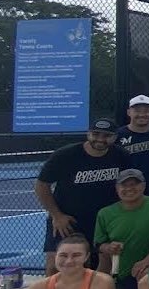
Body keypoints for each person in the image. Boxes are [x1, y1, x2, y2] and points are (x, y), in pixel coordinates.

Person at [34, 118, 129, 275]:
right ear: (88, 134)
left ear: (114, 137)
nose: (100, 139)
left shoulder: (121, 156)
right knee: (56, 265)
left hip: (103, 221)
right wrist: (57, 216)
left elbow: (127, 185)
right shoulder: (65, 155)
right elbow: (41, 185)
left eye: (106, 135)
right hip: (67, 221)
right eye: (95, 134)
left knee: (100, 266)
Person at [116, 95, 149, 196]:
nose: (142, 114)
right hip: (124, 192)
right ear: (129, 112)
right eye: (137, 111)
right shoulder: (117, 136)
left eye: (146, 111)